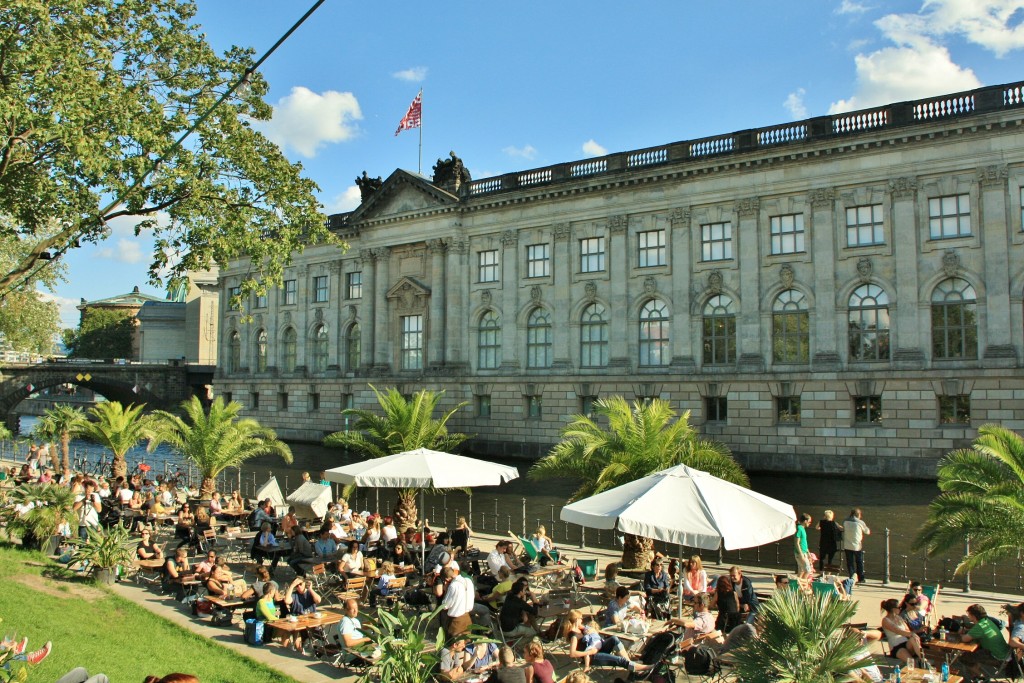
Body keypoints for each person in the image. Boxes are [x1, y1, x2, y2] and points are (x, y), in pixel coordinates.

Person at [561, 610, 650, 674]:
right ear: (576, 620)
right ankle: (641, 668)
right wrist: (589, 652)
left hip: (598, 647)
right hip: (592, 656)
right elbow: (572, 653)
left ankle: (630, 663)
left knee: (614, 638)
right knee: (619, 660)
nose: (582, 620)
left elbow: (592, 632)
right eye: (581, 618)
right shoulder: (573, 635)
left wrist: (592, 631)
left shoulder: (580, 628)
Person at [959, 603, 1010, 678]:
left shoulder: (980, 626)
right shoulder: (987, 621)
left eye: (968, 614)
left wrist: (960, 633)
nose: (968, 616)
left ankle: (980, 676)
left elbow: (964, 639)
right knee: (976, 652)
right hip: (1005, 654)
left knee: (964, 657)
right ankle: (976, 672)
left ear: (973, 616)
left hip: (998, 658)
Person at [880, 598, 923, 664]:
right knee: (912, 663)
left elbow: (907, 631)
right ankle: (921, 663)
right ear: (893, 609)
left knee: (913, 639)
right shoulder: (885, 620)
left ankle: (924, 661)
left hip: (905, 643)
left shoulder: (899, 618)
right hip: (896, 646)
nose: (900, 609)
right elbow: (898, 631)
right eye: (899, 607)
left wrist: (919, 631)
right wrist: (911, 634)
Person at [283, 577, 321, 650]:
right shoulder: (294, 595)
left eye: (300, 584)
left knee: (314, 628)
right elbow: (287, 601)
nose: (299, 587)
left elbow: (318, 600)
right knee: (295, 631)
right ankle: (299, 650)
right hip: (297, 621)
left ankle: (306, 645)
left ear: (304, 583)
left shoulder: (310, 593)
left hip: (310, 620)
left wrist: (310, 589)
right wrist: (292, 586)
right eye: (297, 585)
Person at [440, 565, 475, 637]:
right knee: (466, 644)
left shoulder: (453, 586)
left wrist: (446, 590)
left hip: (456, 621)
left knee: (453, 645)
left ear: (446, 579)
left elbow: (445, 605)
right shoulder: (468, 581)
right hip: (467, 618)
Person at [843, 508, 871, 583]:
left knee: (850, 562)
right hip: (856, 546)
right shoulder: (860, 522)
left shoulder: (845, 521)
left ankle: (852, 577)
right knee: (859, 562)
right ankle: (861, 578)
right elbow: (867, 532)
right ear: (858, 514)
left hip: (847, 545)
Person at [794, 512, 813, 580]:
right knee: (808, 570)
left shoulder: (802, 528)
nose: (810, 523)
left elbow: (804, 542)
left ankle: (797, 586)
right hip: (800, 553)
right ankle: (803, 584)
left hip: (804, 552)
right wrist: (801, 554)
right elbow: (797, 543)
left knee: (801, 571)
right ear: (805, 521)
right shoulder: (799, 529)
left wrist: (808, 552)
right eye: (809, 522)